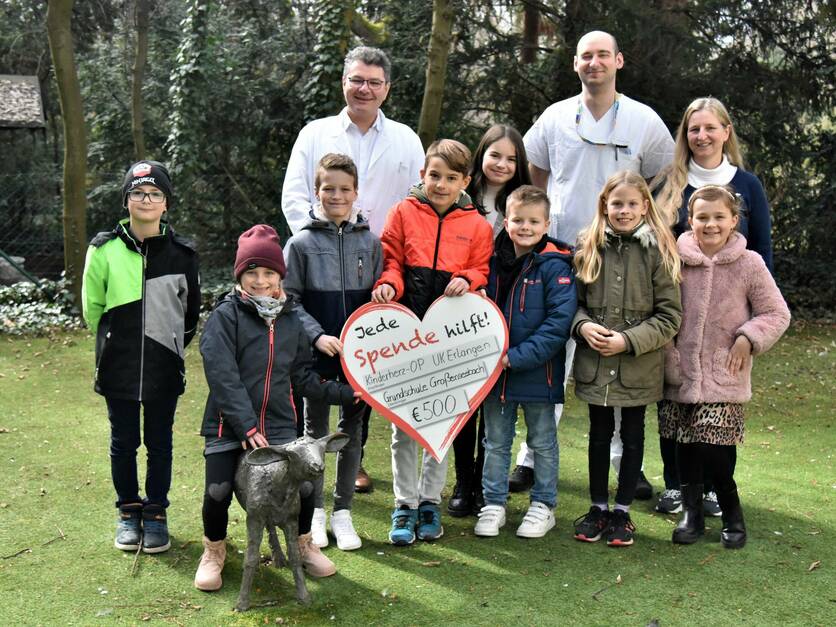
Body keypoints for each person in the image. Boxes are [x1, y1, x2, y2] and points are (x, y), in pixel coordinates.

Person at [517, 30, 675, 495]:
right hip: (564, 254)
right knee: (553, 355)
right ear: (575, 64)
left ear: (619, 61)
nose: (595, 63)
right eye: (586, 55)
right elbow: (538, 173)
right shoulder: (555, 117)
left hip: (623, 256)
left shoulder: (644, 121)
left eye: (603, 54)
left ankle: (627, 465)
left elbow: (663, 178)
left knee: (622, 355)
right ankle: (530, 457)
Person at [282, 46, 424, 492]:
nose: (365, 88)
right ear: (344, 82)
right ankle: (312, 464)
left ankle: (352, 462)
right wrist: (321, 242)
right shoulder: (315, 133)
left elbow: (414, 203)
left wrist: (382, 260)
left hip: (376, 272)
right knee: (319, 368)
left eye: (374, 82)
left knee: (361, 372)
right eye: (357, 79)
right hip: (321, 266)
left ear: (387, 88)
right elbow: (294, 196)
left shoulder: (405, 138)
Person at [193, 225, 360, 592]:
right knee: (217, 492)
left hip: (282, 428)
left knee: (303, 489)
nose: (260, 280)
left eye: (268, 272)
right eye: (251, 272)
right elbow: (222, 375)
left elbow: (302, 378)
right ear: (240, 274)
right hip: (228, 426)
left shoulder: (291, 320)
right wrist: (247, 427)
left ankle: (302, 544)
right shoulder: (226, 316)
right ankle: (214, 550)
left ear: (279, 276)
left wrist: (348, 394)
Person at [652, 97, 774, 516]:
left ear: (726, 131)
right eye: (693, 129)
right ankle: (676, 486)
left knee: (720, 412)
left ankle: (713, 491)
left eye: (709, 127)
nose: (701, 136)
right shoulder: (669, 181)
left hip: (728, 323)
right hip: (678, 319)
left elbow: (762, 256)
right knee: (674, 405)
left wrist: (752, 332)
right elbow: (655, 249)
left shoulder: (749, 185)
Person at [371, 139, 493, 545]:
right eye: (434, 175)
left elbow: (482, 268)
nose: (441, 184)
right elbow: (390, 260)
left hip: (449, 340)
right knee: (404, 426)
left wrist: (470, 280)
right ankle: (404, 504)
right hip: (406, 336)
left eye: (451, 178)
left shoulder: (478, 225)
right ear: (423, 174)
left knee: (442, 421)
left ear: (466, 181)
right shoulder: (403, 212)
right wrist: (389, 284)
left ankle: (429, 502)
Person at [660, 185, 789, 549]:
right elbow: (661, 307)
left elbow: (776, 312)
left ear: (734, 220)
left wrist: (749, 337)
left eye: (719, 217)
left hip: (724, 371)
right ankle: (692, 513)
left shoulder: (749, 264)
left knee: (716, 445)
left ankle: (731, 511)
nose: (711, 224)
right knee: (685, 443)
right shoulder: (675, 259)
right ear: (690, 219)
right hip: (680, 369)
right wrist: (668, 351)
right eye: (703, 217)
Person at [81, 160, 200, 554]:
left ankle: (156, 512)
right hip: (118, 365)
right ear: (126, 200)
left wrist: (168, 343)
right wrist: (113, 342)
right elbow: (92, 309)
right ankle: (129, 510)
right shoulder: (103, 250)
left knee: (160, 443)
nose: (146, 200)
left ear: (166, 203)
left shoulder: (183, 254)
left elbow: (190, 314)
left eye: (154, 194)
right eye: (138, 193)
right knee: (123, 442)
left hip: (165, 366)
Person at [571, 171, 682, 547]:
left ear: (645, 207)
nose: (624, 210)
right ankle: (597, 507)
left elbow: (670, 317)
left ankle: (623, 512)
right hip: (596, 363)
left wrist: (628, 340)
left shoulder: (659, 250)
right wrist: (583, 327)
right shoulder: (588, 246)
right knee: (599, 436)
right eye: (617, 203)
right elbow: (573, 305)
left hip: (638, 364)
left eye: (633, 204)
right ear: (605, 204)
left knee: (633, 437)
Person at [283, 154, 383, 551]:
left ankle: (343, 513)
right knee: (315, 434)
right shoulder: (301, 243)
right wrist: (316, 336)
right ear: (317, 192)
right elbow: (288, 299)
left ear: (356, 193)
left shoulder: (371, 242)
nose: (336, 196)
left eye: (344, 189)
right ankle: (317, 511)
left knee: (351, 433)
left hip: (361, 360)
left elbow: (381, 298)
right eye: (329, 189)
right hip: (317, 357)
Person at [474, 186, 576, 538]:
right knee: (496, 442)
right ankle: (493, 504)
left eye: (534, 221)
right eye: (518, 220)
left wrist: (514, 358)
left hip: (537, 373)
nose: (525, 227)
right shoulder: (488, 261)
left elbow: (557, 326)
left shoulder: (557, 265)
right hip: (495, 375)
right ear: (506, 221)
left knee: (542, 442)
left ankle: (543, 504)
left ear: (546, 224)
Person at [447, 124, 532, 517]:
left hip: (507, 311)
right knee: (464, 403)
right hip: (462, 312)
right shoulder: (458, 199)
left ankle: (486, 480)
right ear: (480, 156)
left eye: (512, 158)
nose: (502, 164)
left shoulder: (524, 206)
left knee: (495, 404)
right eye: (495, 155)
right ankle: (464, 482)